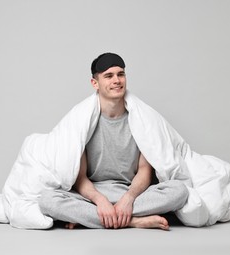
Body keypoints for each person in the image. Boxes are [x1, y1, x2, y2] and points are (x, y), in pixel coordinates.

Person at [39, 53, 188, 230]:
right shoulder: (82, 121)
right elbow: (80, 178)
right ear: (95, 83)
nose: (116, 80)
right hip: (92, 194)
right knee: (47, 200)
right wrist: (100, 201)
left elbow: (145, 170)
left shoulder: (142, 120)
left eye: (121, 74)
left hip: (133, 192)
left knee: (179, 190)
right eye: (109, 76)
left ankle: (89, 219)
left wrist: (128, 199)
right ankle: (134, 221)